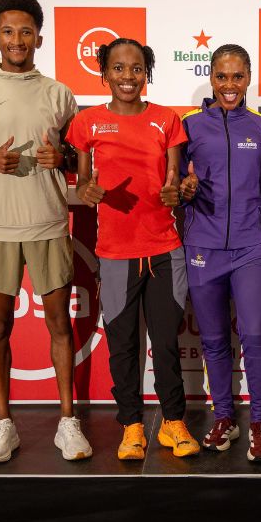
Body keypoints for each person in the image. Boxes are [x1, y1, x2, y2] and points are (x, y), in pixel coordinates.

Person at [0, 0, 92, 462]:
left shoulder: (59, 94)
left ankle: (68, 422)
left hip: (49, 227)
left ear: (39, 37)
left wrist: (67, 159)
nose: (17, 39)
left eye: (26, 31)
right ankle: (3, 425)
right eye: (8, 31)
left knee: (60, 326)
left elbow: (85, 158)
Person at [66, 38, 200, 461]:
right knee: (123, 346)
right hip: (115, 253)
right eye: (119, 68)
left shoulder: (167, 119)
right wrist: (86, 191)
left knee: (165, 344)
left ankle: (173, 422)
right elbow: (83, 182)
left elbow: (173, 178)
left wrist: (175, 192)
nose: (128, 76)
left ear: (147, 73)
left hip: (164, 250)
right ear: (105, 73)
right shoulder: (87, 122)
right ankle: (132, 426)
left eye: (137, 68)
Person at [178, 44, 261, 461]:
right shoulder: (189, 126)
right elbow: (175, 185)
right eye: (222, 76)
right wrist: (185, 190)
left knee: (255, 335)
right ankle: (223, 417)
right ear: (211, 78)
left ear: (248, 78)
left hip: (251, 248)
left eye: (238, 76)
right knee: (212, 339)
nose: (230, 85)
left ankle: (260, 422)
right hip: (203, 247)